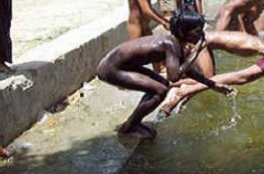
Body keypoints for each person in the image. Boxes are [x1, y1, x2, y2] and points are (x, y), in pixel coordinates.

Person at [96, 9, 234, 139]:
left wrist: (213, 85)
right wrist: (196, 52)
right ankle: (128, 128)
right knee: (160, 90)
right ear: (182, 31)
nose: (201, 36)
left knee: (160, 85)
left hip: (124, 65)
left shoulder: (175, 43)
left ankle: (134, 122)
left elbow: (187, 70)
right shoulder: (170, 44)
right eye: (197, 32)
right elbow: (174, 77)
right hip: (111, 69)